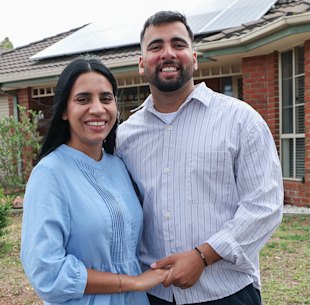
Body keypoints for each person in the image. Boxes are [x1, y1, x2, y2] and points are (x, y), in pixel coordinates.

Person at [116, 11, 284, 305]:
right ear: (141, 64)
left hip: (226, 292)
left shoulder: (240, 120)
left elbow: (265, 206)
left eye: (178, 44)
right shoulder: (125, 138)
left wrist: (202, 256)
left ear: (194, 57)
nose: (168, 53)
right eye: (156, 47)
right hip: (152, 295)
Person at [20, 55, 168, 305]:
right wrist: (132, 282)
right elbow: (47, 273)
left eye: (106, 98)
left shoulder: (118, 165)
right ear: (65, 111)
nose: (98, 109)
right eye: (83, 99)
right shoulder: (50, 174)